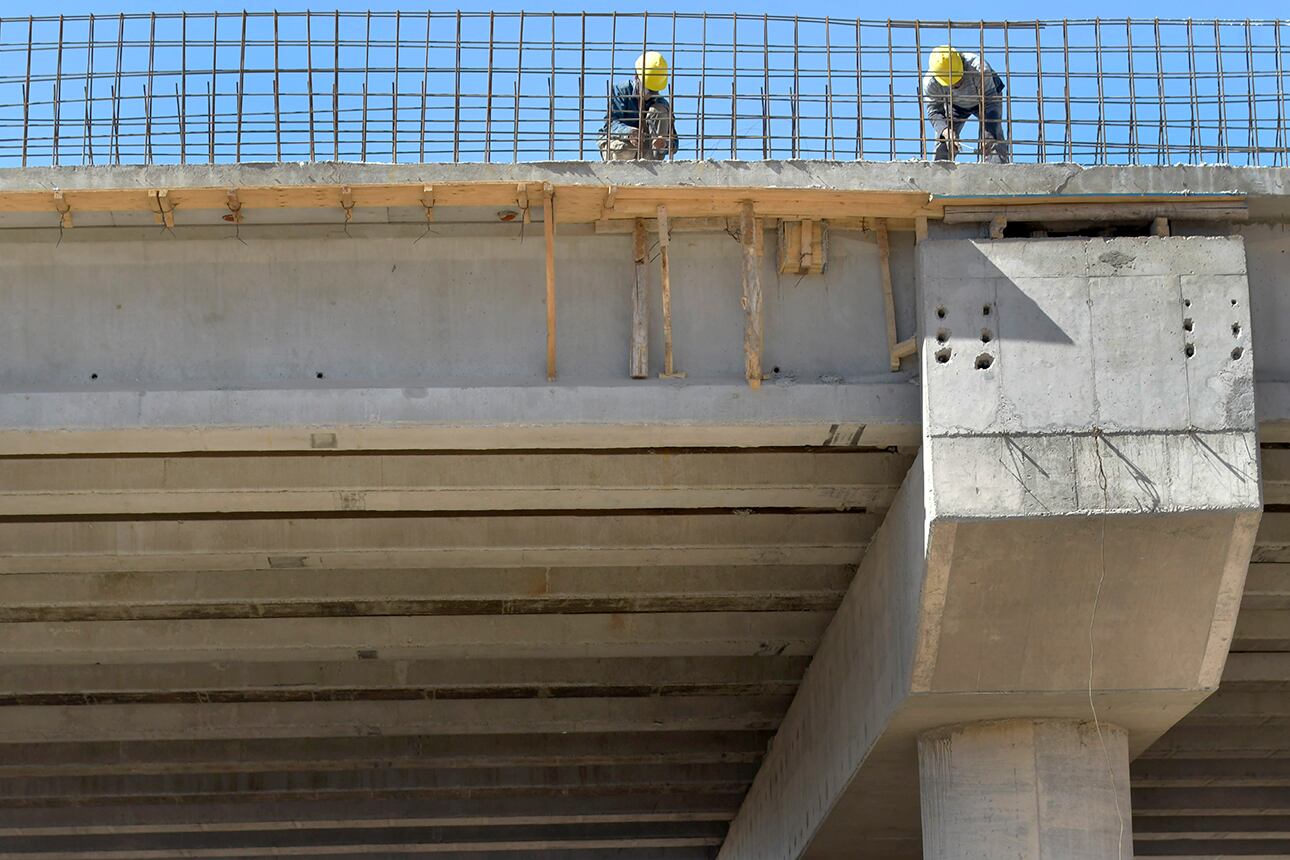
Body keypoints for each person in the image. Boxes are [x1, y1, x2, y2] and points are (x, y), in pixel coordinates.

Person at [922, 45, 1010, 164]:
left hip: (985, 100)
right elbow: (934, 112)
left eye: (959, 79)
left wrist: (989, 132)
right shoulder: (931, 83)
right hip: (955, 104)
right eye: (952, 84)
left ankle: (998, 171)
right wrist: (946, 131)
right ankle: (939, 175)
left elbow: (991, 102)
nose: (957, 85)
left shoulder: (979, 68)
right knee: (943, 141)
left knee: (993, 136)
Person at [598, 51, 679, 161]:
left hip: (646, 154)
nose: (649, 94)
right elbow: (610, 124)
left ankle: (654, 163)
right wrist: (629, 133)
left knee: (659, 110)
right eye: (647, 88)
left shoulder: (661, 104)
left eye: (653, 91)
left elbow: (674, 142)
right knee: (626, 151)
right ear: (636, 77)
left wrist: (664, 145)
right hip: (620, 145)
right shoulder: (621, 91)